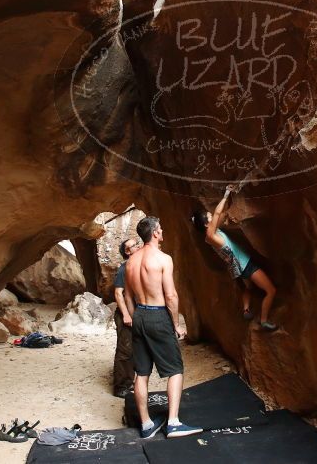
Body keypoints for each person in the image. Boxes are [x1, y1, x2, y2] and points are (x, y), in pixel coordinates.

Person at [125, 216, 202, 439]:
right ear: (156, 233)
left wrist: (135, 317)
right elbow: (170, 295)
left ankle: (147, 424)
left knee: (141, 372)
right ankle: (174, 423)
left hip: (139, 314)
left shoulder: (130, 262)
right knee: (175, 369)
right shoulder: (163, 259)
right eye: (161, 229)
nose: (162, 231)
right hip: (158, 315)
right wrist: (176, 324)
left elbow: (128, 296)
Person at [191, 185, 278, 331]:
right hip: (246, 265)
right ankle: (264, 321)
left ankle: (246, 309)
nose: (212, 216)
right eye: (209, 216)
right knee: (271, 290)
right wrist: (226, 193)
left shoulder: (212, 235)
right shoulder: (211, 235)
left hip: (237, 268)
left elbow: (221, 215)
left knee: (248, 287)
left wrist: (229, 203)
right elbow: (218, 213)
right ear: (206, 224)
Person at [112, 237, 141, 398]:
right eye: (133, 246)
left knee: (134, 350)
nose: (138, 246)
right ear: (127, 252)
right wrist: (126, 315)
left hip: (137, 313)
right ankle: (120, 387)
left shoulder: (138, 266)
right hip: (126, 315)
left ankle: (130, 382)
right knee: (125, 350)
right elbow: (118, 293)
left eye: (137, 243)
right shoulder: (124, 269)